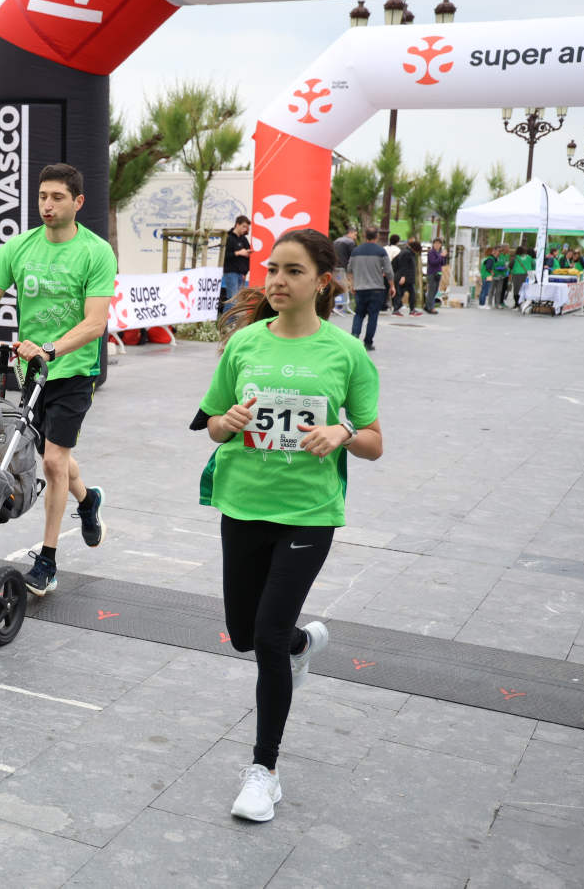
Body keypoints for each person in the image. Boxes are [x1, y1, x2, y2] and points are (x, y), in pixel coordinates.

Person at [193, 227, 383, 823]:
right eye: (272, 269)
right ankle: (304, 643)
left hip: (307, 512)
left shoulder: (345, 352)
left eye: (292, 271)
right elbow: (211, 425)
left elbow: (375, 439)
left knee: (266, 639)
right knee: (246, 635)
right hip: (243, 503)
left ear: (321, 281)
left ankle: (263, 772)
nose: (276, 280)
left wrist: (343, 432)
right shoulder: (244, 344)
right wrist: (229, 420)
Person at [0, 162, 113, 597]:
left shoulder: (95, 252)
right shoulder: (21, 247)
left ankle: (47, 560)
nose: (47, 206)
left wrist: (51, 349)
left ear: (78, 202)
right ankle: (87, 501)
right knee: (57, 455)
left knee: (51, 462)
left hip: (73, 369)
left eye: (57, 198)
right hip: (30, 373)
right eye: (42, 197)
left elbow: (95, 323)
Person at [348, 227, 393, 351]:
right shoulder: (381, 251)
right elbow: (389, 271)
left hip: (360, 288)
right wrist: (392, 285)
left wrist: (352, 284)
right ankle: (368, 343)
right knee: (373, 316)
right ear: (376, 236)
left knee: (359, 314)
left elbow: (349, 270)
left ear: (365, 236)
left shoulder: (356, 251)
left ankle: (354, 338)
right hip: (377, 289)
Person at [221, 215, 253, 311]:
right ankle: (226, 323)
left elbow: (248, 254)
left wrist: (245, 272)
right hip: (231, 272)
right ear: (237, 224)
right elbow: (224, 256)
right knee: (232, 299)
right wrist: (238, 253)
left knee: (238, 300)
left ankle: (233, 322)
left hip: (241, 273)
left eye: (247, 227)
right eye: (243, 226)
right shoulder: (228, 238)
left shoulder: (243, 239)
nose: (245, 229)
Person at [391, 238, 422, 316]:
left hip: (407, 278)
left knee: (406, 293)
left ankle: (409, 309)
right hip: (404, 278)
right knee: (401, 294)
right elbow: (403, 265)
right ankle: (398, 309)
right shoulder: (407, 253)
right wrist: (403, 276)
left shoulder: (407, 252)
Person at [331, 225, 358, 316]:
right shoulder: (350, 242)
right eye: (355, 234)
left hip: (335, 267)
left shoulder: (336, 241)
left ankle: (336, 306)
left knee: (336, 285)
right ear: (350, 233)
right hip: (345, 268)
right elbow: (353, 256)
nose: (355, 237)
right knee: (346, 286)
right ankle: (345, 306)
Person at [425, 238, 448, 314]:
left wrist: (444, 257)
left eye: (439, 243)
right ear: (433, 244)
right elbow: (433, 262)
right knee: (431, 291)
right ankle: (431, 307)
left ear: (441, 245)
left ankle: (427, 306)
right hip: (432, 273)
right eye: (436, 243)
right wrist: (441, 256)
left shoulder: (439, 252)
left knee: (435, 291)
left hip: (438, 273)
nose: (437, 245)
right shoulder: (431, 252)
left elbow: (443, 264)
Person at [510, 245, 534, 310]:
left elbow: (510, 265)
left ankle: (517, 304)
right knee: (526, 289)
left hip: (517, 275)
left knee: (516, 290)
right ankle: (525, 304)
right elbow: (533, 264)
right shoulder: (529, 257)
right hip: (528, 274)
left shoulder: (516, 257)